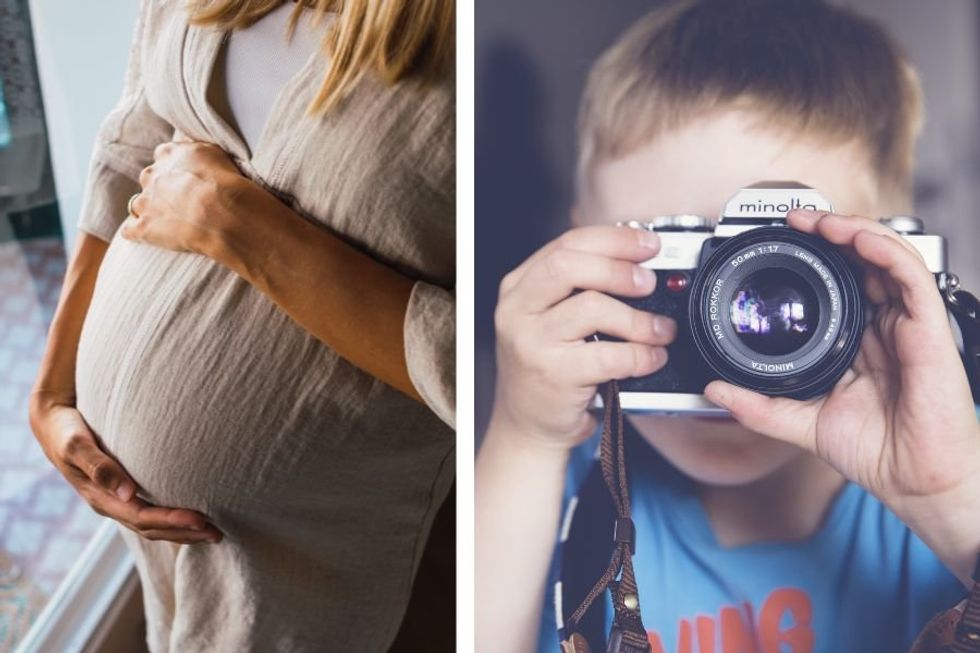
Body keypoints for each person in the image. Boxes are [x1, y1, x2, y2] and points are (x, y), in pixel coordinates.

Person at [475, 1, 980, 651]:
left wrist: (952, 503)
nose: (734, 340)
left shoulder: (955, 462)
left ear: (891, 262)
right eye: (686, 274)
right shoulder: (556, 488)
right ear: (584, 252)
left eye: (789, 272)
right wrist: (524, 437)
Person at [28, 0, 455, 650]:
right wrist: (54, 390)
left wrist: (241, 225)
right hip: (168, 547)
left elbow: (516, 359)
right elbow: (139, 128)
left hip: (325, 585)